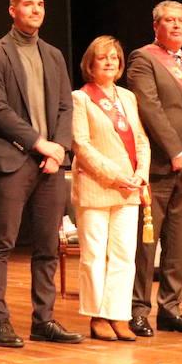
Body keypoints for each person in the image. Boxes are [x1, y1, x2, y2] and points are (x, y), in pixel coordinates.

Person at [0, 0, 83, 348]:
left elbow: (66, 108)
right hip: (13, 159)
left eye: (40, 4)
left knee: (47, 246)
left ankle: (44, 319)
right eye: (28, 4)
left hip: (50, 165)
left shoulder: (53, 55)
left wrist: (59, 150)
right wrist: (41, 144)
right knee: (1, 243)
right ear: (12, 10)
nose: (36, 10)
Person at [125, 0, 182, 337]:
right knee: (146, 244)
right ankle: (137, 310)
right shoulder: (143, 58)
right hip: (159, 166)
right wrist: (175, 150)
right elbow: (149, 107)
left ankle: (171, 309)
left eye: (181, 20)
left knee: (178, 243)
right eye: (169, 21)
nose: (176, 26)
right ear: (156, 26)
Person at [69, 36, 149, 342]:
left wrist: (140, 173)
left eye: (115, 57)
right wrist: (115, 175)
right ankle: (97, 315)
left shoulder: (127, 97)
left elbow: (141, 139)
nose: (110, 61)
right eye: (103, 57)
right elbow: (81, 145)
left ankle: (118, 314)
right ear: (90, 63)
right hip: (96, 186)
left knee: (123, 255)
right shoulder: (82, 98)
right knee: (93, 254)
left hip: (129, 188)